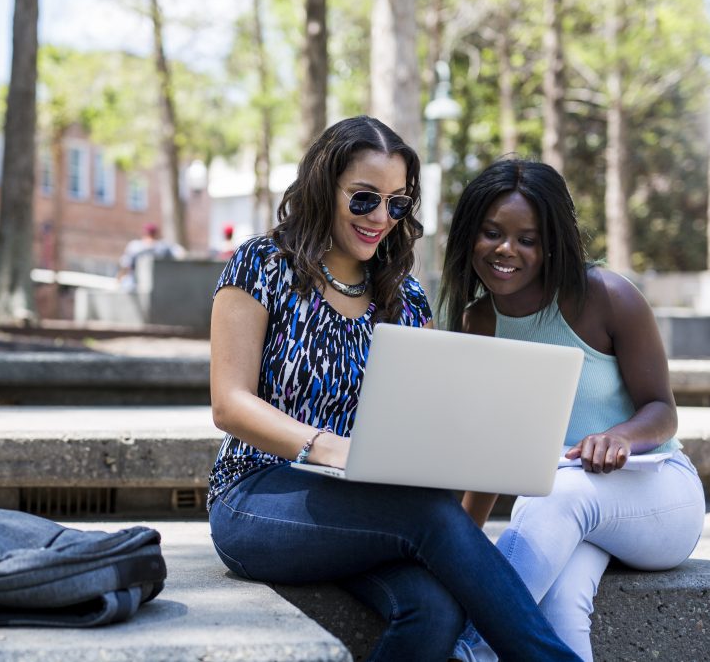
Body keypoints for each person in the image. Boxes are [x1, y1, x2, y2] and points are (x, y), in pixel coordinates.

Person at [207, 116, 582, 661]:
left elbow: (428, 417)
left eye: (397, 203)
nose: (380, 217)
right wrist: (330, 447)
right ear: (323, 187)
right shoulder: (263, 264)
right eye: (364, 199)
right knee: (425, 515)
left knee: (435, 608)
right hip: (256, 496)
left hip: (369, 505)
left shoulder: (404, 294)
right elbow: (230, 404)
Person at [439, 158, 705, 662]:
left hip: (658, 494)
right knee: (561, 605)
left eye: (527, 239)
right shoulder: (478, 322)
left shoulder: (607, 296)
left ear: (552, 243)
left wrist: (621, 437)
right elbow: (493, 452)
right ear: (469, 235)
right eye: (491, 232)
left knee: (552, 492)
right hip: (570, 513)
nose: (505, 250)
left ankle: (468, 651)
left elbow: (661, 409)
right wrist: (455, 542)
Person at [118, 223, 183, 290]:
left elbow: (125, 266)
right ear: (156, 234)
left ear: (144, 233)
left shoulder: (135, 246)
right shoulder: (164, 246)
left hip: (137, 283)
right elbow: (181, 253)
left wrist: (119, 279)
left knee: (127, 284)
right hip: (160, 285)